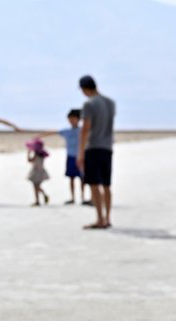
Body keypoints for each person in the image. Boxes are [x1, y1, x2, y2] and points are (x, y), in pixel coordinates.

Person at [77, 75, 116, 229]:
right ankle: (107, 218)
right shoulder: (110, 102)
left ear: (84, 88)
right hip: (107, 146)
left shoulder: (89, 104)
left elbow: (85, 129)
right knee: (106, 184)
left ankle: (100, 219)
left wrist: (80, 153)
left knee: (94, 184)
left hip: (93, 147)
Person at [37, 109, 88, 205]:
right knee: (71, 178)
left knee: (82, 178)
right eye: (70, 119)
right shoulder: (67, 131)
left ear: (78, 119)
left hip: (81, 156)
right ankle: (72, 198)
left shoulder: (82, 130)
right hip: (70, 157)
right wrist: (39, 136)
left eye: (73, 119)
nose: (71, 121)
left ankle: (83, 197)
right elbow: (53, 132)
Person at [25, 138, 50, 206]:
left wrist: (28, 153)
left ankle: (37, 200)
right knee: (37, 186)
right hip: (41, 171)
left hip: (36, 172)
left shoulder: (36, 155)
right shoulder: (42, 155)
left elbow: (29, 160)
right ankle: (42, 196)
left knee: (35, 186)